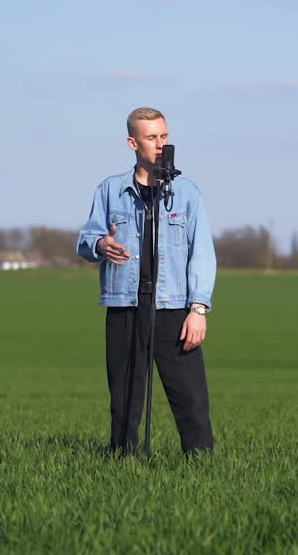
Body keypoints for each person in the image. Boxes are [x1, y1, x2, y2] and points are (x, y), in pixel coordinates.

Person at [77, 107, 216, 455]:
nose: (160, 144)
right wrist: (100, 244)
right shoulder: (110, 190)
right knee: (125, 398)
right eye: (152, 138)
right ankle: (125, 463)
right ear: (132, 143)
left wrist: (198, 309)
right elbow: (86, 239)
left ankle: (201, 465)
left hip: (174, 308)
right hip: (125, 305)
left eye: (164, 136)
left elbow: (203, 252)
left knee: (190, 398)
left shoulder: (186, 193)